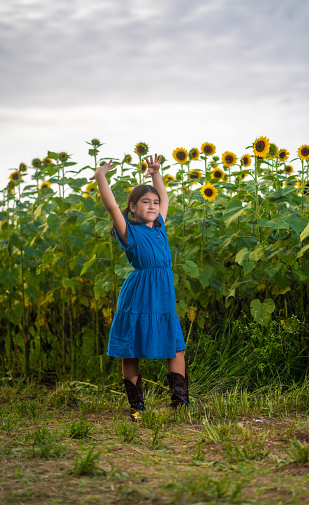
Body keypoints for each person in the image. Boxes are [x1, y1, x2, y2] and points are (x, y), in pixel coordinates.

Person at [90, 154, 191, 420]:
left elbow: (165, 199)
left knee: (176, 346)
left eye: (154, 202)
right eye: (145, 202)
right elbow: (112, 207)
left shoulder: (159, 227)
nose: (153, 205)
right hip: (140, 294)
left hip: (163, 295)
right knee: (131, 347)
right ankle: (137, 406)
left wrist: (155, 172)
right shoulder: (129, 231)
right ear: (132, 207)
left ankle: (180, 402)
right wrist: (101, 177)